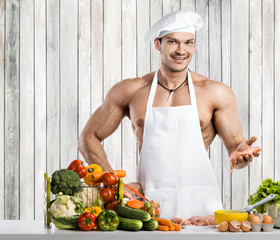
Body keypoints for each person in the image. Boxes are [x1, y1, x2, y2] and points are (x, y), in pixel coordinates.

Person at [78, 10, 261, 219]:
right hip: (149, 205)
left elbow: (235, 147)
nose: (181, 50)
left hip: (202, 207)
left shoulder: (216, 92)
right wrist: (114, 182)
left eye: (189, 42)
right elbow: (87, 137)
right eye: (173, 42)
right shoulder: (131, 91)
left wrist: (241, 156)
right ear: (158, 44)